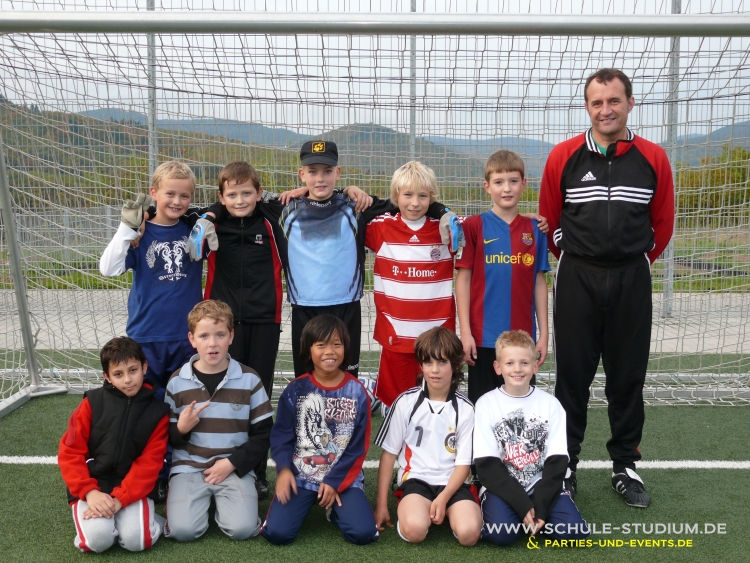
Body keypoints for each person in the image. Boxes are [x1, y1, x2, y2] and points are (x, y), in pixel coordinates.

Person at [538, 68, 675, 508]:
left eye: (613, 101)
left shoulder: (653, 157)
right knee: (572, 377)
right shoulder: (563, 156)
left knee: (627, 376)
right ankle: (566, 467)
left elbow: (663, 223)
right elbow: (550, 219)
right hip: (578, 276)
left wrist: (633, 261)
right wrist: (578, 259)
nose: (606, 110)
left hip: (632, 279)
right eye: (597, 102)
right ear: (587, 107)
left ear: (630, 103)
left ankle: (625, 466)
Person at [278, 140, 461, 378]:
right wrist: (211, 214)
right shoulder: (284, 207)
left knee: (347, 377)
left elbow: (405, 205)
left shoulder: (356, 206)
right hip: (304, 307)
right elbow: (244, 200)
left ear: (338, 172)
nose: (320, 178)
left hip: (347, 306)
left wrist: (443, 212)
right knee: (306, 379)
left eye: (327, 171)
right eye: (312, 172)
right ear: (302, 174)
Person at [201, 161, 284, 499]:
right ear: (221, 197)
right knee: (220, 395)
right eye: (231, 194)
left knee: (257, 396)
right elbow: (163, 208)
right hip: (222, 325)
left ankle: (255, 470)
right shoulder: (210, 221)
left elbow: (311, 193)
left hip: (265, 320)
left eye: (246, 193)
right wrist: (209, 213)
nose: (239, 200)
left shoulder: (270, 217)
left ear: (259, 193)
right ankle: (212, 463)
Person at [261, 315, 378, 546]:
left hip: (342, 476)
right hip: (301, 475)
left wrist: (335, 482)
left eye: (336, 344)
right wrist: (284, 470)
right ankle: (303, 502)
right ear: (308, 350)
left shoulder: (357, 392)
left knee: (363, 534)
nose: (329, 351)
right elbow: (281, 436)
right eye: (321, 345)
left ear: (345, 348)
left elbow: (358, 448)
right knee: (277, 534)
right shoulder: (295, 389)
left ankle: (334, 511)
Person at [164, 300, 273, 542]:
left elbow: (264, 434)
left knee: (243, 530)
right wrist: (181, 428)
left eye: (220, 334)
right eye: (204, 336)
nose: (212, 343)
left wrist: (233, 463)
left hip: (233, 468)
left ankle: (232, 501)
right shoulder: (177, 382)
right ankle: (189, 501)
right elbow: (166, 437)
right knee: (184, 532)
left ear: (231, 336)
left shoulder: (249, 379)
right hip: (189, 467)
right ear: (192, 339)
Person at [99, 161, 207, 399]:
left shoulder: (196, 229)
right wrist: (127, 229)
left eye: (184, 196)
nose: (177, 201)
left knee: (186, 402)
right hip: (146, 335)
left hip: (187, 336)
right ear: (153, 192)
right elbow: (108, 269)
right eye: (170, 194)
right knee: (146, 403)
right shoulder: (139, 233)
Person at [474, 330, 589, 546]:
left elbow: (557, 461)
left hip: (539, 483)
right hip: (502, 485)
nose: (517, 369)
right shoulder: (486, 404)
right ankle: (520, 515)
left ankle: (537, 517)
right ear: (498, 368)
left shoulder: (550, 405)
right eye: (510, 363)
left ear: (535, 366)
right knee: (502, 534)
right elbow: (487, 465)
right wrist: (522, 504)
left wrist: (541, 506)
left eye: (524, 363)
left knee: (574, 533)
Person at [455, 150, 551, 404]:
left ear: (524, 184)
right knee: (483, 407)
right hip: (483, 337)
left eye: (513, 181)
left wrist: (544, 333)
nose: (506, 188)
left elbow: (539, 283)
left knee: (520, 406)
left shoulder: (535, 230)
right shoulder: (474, 227)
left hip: (523, 339)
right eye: (498, 182)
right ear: (487, 187)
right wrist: (465, 332)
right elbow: (462, 281)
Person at [58, 337, 169, 553]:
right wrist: (89, 492)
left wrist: (121, 498)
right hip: (94, 486)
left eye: (133, 370)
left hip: (131, 487)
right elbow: (70, 452)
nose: (128, 379)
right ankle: (100, 524)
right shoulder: (92, 403)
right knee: (97, 542)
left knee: (138, 542)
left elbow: (150, 463)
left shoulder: (158, 413)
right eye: (118, 374)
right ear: (107, 377)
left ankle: (145, 518)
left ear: (144, 367)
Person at [374, 327, 481, 546]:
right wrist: (382, 505)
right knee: (415, 531)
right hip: (416, 481)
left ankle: (454, 515)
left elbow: (463, 466)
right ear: (421, 365)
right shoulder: (405, 402)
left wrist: (442, 499)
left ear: (454, 365)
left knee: (469, 535)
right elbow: (388, 455)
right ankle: (418, 513)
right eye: (428, 362)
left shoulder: (466, 409)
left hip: (454, 484)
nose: (435, 370)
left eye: (442, 362)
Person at [364, 162, 456, 408]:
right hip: (397, 332)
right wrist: (352, 189)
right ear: (395, 196)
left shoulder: (446, 228)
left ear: (432, 199)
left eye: (422, 196)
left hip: (437, 334)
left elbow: (486, 225)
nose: (415, 203)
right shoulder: (381, 227)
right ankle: (380, 399)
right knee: (396, 406)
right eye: (408, 195)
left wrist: (526, 220)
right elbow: (344, 208)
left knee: (437, 402)